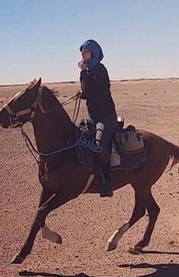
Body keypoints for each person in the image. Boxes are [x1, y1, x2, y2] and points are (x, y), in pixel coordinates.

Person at [79, 39, 117, 197]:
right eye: (82, 53)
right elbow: (86, 92)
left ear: (93, 53)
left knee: (99, 145)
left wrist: (83, 73)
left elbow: (94, 91)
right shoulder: (88, 71)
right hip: (93, 117)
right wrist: (83, 74)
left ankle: (107, 183)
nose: (83, 55)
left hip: (106, 117)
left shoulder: (100, 70)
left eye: (85, 52)